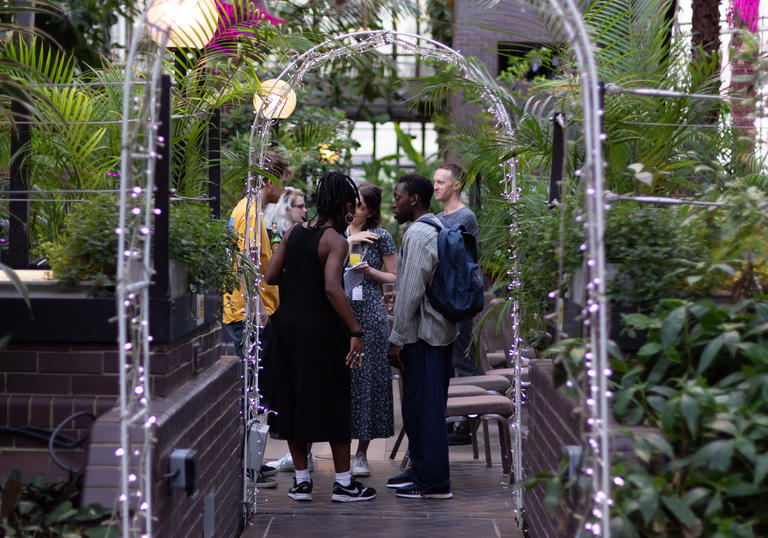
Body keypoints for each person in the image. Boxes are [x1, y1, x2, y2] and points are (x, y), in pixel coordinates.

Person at [264, 171, 376, 503]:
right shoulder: (335, 240)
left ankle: (301, 483)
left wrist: (298, 277)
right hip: (321, 333)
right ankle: (343, 484)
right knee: (334, 402)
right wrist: (355, 330)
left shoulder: (295, 233)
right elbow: (332, 288)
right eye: (352, 206)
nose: (354, 212)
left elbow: (271, 274)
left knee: (294, 401)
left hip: (286, 330)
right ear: (342, 205)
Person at [386, 174, 458, 500]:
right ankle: (418, 468)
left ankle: (435, 481)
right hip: (435, 333)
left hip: (423, 336)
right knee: (419, 406)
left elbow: (412, 292)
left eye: (397, 197)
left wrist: (395, 338)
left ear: (414, 199)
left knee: (426, 410)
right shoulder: (436, 228)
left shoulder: (417, 234)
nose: (393, 203)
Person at [221, 151, 291, 488]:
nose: (283, 189)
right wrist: (259, 310)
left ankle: (251, 462)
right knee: (250, 390)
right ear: (268, 180)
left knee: (253, 390)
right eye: (281, 180)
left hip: (246, 310)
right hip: (247, 313)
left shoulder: (248, 211)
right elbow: (249, 264)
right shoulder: (250, 213)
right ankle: (248, 465)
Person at [345, 183, 397, 477]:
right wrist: (349, 241)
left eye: (362, 206)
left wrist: (369, 271)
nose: (355, 210)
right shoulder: (337, 234)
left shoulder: (381, 238)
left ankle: (361, 453)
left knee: (368, 382)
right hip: (341, 315)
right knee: (339, 381)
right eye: (353, 204)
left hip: (370, 315)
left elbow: (393, 275)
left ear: (372, 210)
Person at [433, 163, 480, 446]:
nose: (436, 186)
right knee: (446, 359)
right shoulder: (438, 216)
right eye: (435, 182)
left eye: (441, 182)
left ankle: (466, 420)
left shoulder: (465, 216)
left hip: (459, 297)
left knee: (462, 357)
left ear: (456, 185)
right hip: (443, 297)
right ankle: (451, 417)